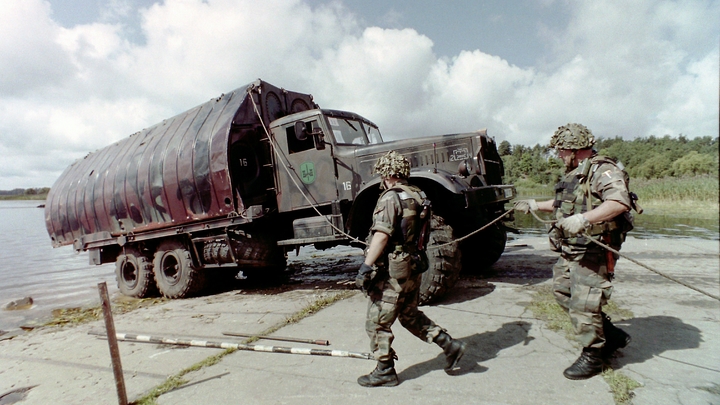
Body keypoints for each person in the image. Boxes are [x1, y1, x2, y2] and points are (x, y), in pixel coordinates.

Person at [514, 123, 636, 380]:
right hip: (572, 250)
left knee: (584, 304)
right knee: (562, 293)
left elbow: (619, 201)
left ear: (575, 150)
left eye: (561, 151)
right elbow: (564, 203)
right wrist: (536, 204)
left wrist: (585, 219)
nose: (558, 155)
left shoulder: (604, 169)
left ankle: (593, 356)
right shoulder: (576, 172)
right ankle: (611, 335)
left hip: (593, 251)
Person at [355, 150, 466, 387]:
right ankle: (448, 343)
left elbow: (382, 236)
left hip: (394, 271)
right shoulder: (418, 195)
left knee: (376, 322)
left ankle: (385, 370)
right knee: (409, 315)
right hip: (414, 265)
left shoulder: (389, 198)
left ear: (386, 175)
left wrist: (366, 267)